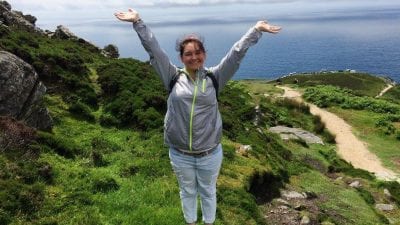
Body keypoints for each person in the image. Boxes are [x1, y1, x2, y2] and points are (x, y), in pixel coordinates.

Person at [114, 8, 281, 225]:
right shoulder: (172, 76)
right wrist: (138, 22)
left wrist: (256, 30)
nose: (194, 57)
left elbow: (236, 54)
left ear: (204, 54)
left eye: (198, 52)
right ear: (182, 57)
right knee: (187, 192)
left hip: (210, 153)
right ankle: (191, 222)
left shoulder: (215, 77)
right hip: (180, 153)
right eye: (188, 54)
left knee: (208, 192)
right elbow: (154, 50)